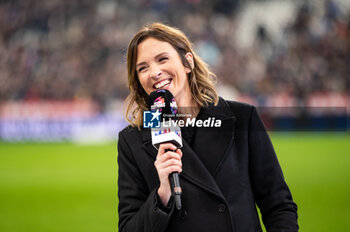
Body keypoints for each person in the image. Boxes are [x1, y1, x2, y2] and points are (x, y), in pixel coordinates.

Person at [118, 22, 298, 232]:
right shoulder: (132, 141)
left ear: (188, 63)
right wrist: (162, 194)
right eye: (143, 68)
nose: (154, 72)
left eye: (162, 59)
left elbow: (278, 205)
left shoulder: (242, 118)